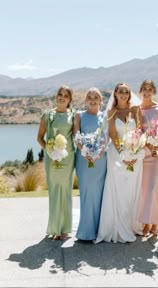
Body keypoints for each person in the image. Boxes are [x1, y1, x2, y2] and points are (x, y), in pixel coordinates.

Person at [94, 82, 143, 243]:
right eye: (120, 92)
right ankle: (115, 226)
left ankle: (131, 224)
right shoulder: (111, 111)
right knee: (118, 187)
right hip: (116, 154)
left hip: (134, 152)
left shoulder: (136, 110)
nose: (123, 94)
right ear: (115, 94)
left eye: (126, 92)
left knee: (131, 188)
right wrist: (123, 152)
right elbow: (114, 134)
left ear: (130, 94)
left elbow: (139, 131)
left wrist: (133, 151)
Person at [37, 85, 75, 240]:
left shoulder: (73, 115)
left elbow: (76, 136)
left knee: (66, 191)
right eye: (60, 94)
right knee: (54, 192)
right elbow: (39, 137)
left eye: (66, 95)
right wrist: (51, 151)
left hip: (68, 157)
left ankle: (65, 228)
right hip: (51, 159)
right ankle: (54, 228)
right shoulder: (47, 115)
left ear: (70, 99)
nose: (62, 97)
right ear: (56, 96)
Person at [73, 88, 107, 241]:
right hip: (83, 159)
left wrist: (99, 153)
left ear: (101, 100)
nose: (93, 100)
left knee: (99, 194)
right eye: (89, 97)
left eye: (96, 97)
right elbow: (76, 135)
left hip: (100, 160)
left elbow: (107, 138)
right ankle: (85, 232)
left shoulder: (105, 116)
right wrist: (85, 152)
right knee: (86, 193)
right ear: (86, 100)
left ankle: (100, 230)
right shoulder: (79, 115)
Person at [137, 80, 158, 236]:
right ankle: (154, 221)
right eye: (144, 89)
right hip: (143, 152)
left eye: (150, 89)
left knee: (151, 187)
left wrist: (157, 143)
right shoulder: (137, 109)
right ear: (140, 91)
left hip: (156, 152)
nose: (147, 92)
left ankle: (147, 222)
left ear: (154, 91)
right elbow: (136, 130)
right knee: (146, 188)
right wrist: (145, 143)